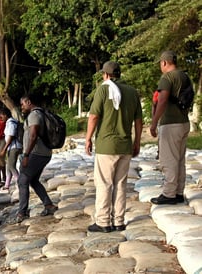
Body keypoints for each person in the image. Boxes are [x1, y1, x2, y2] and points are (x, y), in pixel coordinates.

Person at [85, 61, 143, 233]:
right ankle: (119, 221)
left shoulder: (103, 89)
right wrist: (137, 141)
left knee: (104, 183)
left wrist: (88, 138)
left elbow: (94, 116)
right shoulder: (132, 92)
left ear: (106, 75)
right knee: (120, 184)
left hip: (106, 145)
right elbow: (138, 121)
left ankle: (103, 222)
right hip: (125, 145)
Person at [150, 51, 191, 205]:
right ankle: (179, 192)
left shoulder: (167, 78)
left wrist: (154, 123)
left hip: (170, 123)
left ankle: (169, 194)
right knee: (180, 160)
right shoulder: (184, 76)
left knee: (169, 160)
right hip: (184, 122)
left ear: (164, 63)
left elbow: (162, 100)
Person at [14, 94, 58, 223]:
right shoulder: (41, 113)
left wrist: (26, 155)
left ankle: (22, 213)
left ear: (28, 102)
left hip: (36, 154)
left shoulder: (34, 115)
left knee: (22, 180)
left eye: (22, 104)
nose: (21, 107)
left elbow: (33, 135)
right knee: (33, 181)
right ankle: (49, 205)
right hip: (43, 153)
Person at [0, 107, 22, 190]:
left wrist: (4, 149)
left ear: (5, 115)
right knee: (9, 166)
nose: (0, 118)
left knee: (11, 166)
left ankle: (21, 184)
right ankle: (7, 185)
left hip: (14, 147)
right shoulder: (10, 122)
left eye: (1, 116)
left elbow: (11, 137)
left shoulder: (11, 123)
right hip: (11, 147)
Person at [152, 90, 160, 160]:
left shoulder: (157, 92)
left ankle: (160, 153)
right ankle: (160, 152)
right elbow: (154, 105)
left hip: (160, 116)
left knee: (161, 136)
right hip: (161, 117)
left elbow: (154, 105)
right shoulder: (157, 93)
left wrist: (154, 119)